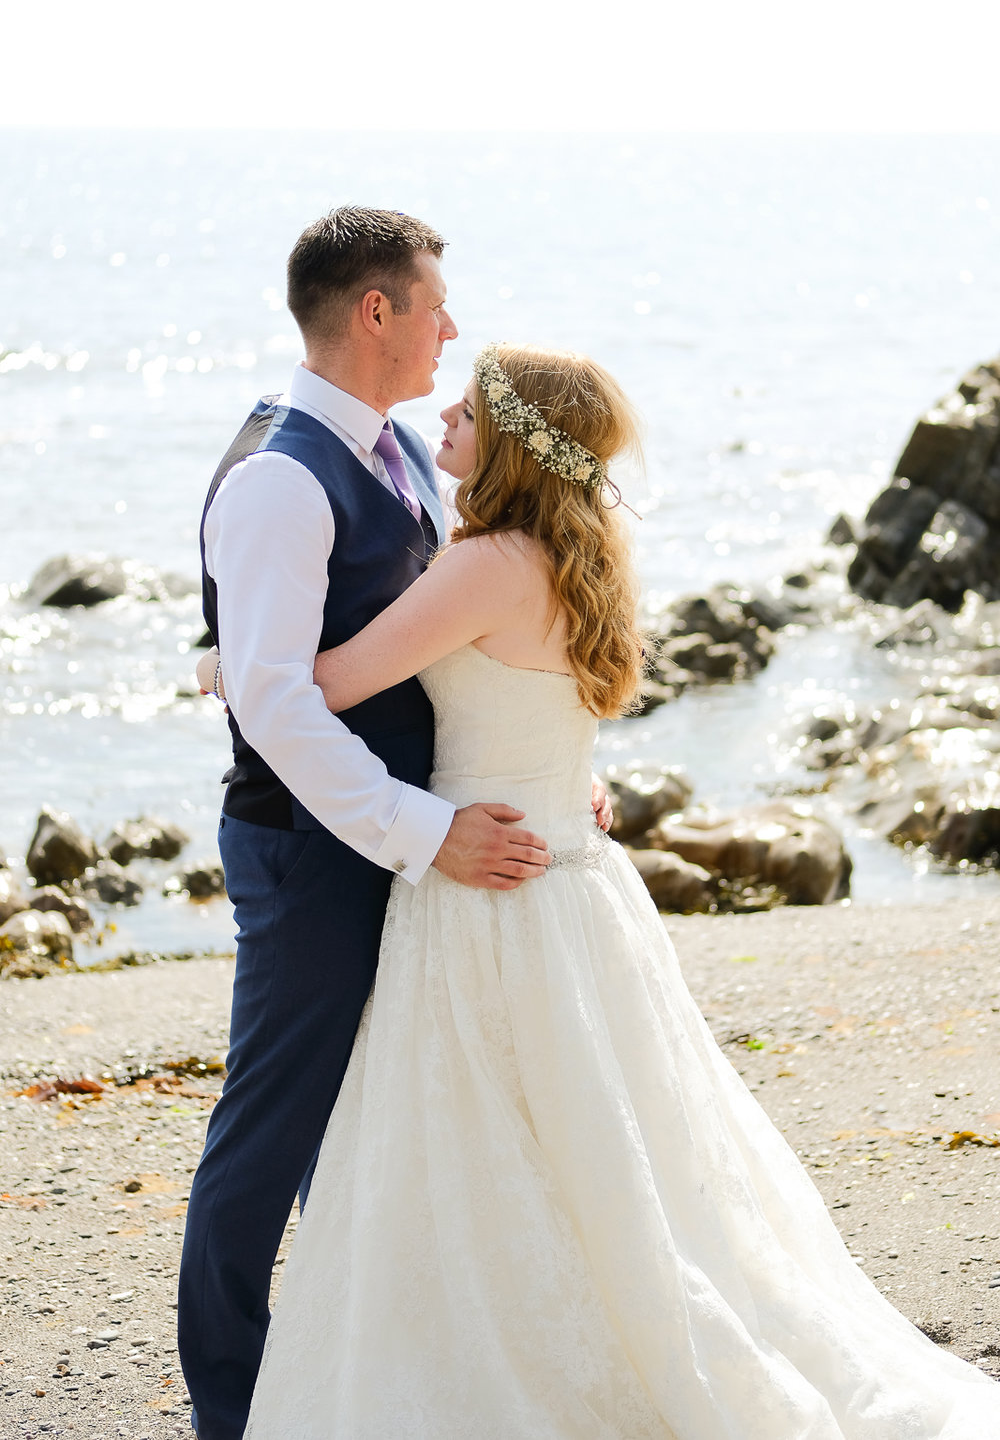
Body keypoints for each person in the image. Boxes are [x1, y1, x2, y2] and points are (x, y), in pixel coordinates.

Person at [218, 342, 1000, 1437]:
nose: (443, 408)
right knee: (599, 1153)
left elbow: (326, 680)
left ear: (512, 441)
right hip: (572, 884)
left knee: (491, 1145)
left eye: (471, 403)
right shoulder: (576, 548)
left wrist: (223, 662)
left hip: (488, 889)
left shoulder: (484, 562)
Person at [178, 209, 611, 1440]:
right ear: (375, 312)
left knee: (373, 1126)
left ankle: (347, 1381)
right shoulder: (277, 478)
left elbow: (439, 647)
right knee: (272, 1129)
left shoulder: (403, 457)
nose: (450, 328)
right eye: (432, 304)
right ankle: (233, 1405)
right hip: (318, 853)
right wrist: (424, 832)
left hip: (416, 843)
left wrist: (540, 769)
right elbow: (275, 704)